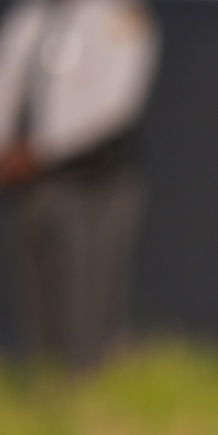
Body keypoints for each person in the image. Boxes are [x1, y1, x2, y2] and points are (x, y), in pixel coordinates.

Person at [0, 0, 159, 370]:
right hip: (31, 185)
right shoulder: (29, 19)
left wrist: (39, 150)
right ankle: (46, 391)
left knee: (86, 301)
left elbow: (113, 104)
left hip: (93, 184)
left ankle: (86, 396)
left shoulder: (118, 18)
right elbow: (5, 86)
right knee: (38, 298)